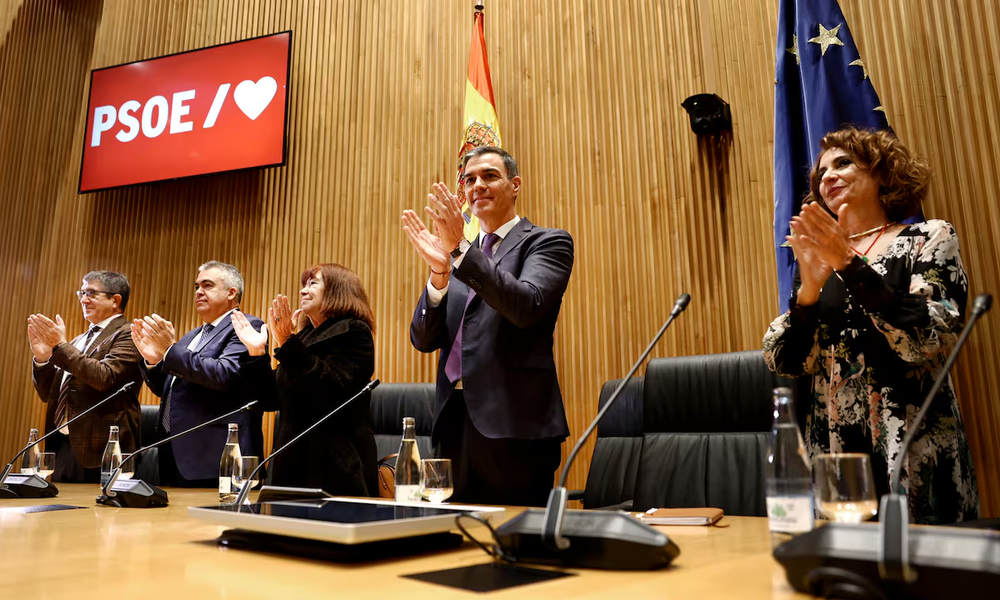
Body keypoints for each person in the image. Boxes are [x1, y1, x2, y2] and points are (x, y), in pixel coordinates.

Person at [763, 127, 979, 524]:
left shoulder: (928, 237)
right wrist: (808, 291)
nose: (827, 177)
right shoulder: (815, 260)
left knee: (922, 559)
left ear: (882, 172)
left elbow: (928, 336)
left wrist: (849, 264)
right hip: (836, 446)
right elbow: (788, 362)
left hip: (913, 443)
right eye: (821, 173)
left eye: (843, 163)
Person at [401, 145, 575, 507]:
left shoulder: (546, 242)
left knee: (514, 535)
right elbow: (424, 338)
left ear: (515, 185)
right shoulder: (457, 256)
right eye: (469, 180)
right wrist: (438, 274)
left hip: (515, 428)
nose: (476, 185)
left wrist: (460, 251)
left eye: (489, 176)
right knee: (450, 533)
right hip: (452, 424)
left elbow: (527, 305)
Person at [232, 263, 378, 496]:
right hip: (290, 466)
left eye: (313, 283)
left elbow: (330, 387)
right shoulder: (303, 338)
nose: (303, 290)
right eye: (304, 284)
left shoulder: (354, 331)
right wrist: (256, 353)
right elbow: (271, 399)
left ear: (337, 290)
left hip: (335, 470)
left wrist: (288, 342)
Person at [131, 261, 263, 487]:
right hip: (174, 449)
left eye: (207, 285)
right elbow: (171, 390)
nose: (199, 292)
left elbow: (225, 375)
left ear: (231, 292)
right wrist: (154, 362)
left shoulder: (247, 327)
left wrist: (171, 350)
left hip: (215, 454)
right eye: (197, 286)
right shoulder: (192, 336)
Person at [28, 271, 142, 483]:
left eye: (91, 293)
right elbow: (49, 395)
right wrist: (42, 359)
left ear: (115, 300)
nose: (83, 300)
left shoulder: (129, 334)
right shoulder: (78, 340)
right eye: (82, 293)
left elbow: (104, 377)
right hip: (63, 446)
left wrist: (61, 346)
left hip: (104, 449)